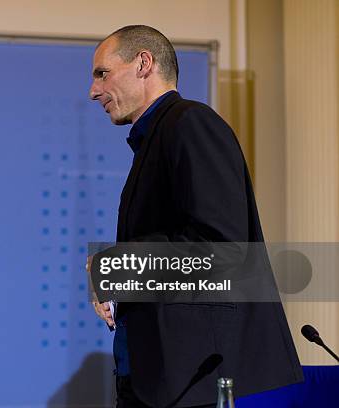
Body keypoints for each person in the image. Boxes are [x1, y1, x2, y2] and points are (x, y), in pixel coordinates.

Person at [88, 25, 302, 407]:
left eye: (102, 73)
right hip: (155, 377)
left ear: (144, 63)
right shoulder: (156, 138)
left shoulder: (190, 124)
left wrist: (119, 263)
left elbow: (223, 247)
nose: (94, 91)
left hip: (189, 380)